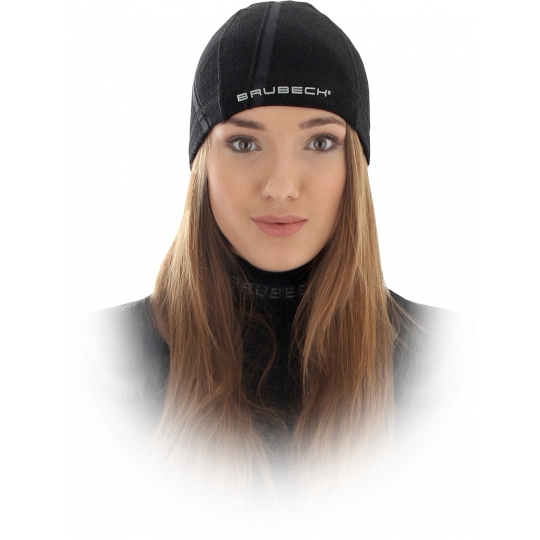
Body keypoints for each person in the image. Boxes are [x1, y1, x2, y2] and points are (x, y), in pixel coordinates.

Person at [77, 0, 462, 502]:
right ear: (202, 165)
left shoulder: (453, 365)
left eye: (320, 143)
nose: (281, 187)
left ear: (355, 164)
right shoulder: (94, 364)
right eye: (244, 144)